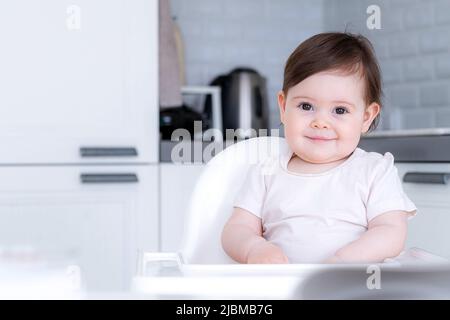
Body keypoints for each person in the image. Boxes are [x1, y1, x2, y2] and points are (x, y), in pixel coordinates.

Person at [221, 32, 417, 264]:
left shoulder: (375, 171)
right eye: (306, 106)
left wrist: (345, 261)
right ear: (283, 108)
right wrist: (254, 248)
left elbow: (391, 232)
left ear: (366, 117)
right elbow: (236, 229)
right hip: (282, 289)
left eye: (340, 110)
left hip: (351, 288)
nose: (320, 122)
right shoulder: (266, 171)